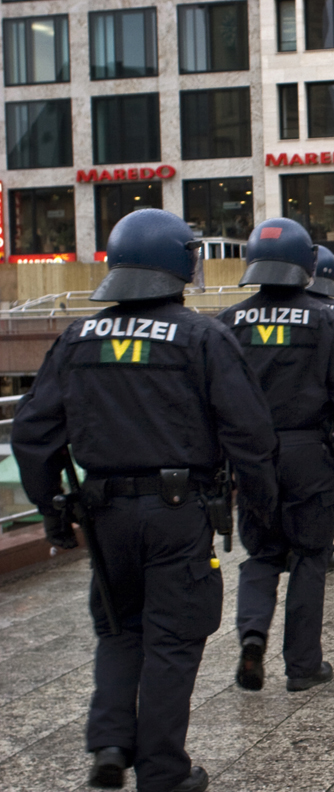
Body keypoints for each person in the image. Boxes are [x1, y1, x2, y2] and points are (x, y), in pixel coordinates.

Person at [12, 209, 279, 792]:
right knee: (173, 638)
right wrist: (261, 503)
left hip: (104, 514)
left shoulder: (78, 338)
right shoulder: (202, 336)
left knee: (117, 628)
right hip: (177, 513)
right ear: (179, 263)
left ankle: (110, 744)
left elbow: (33, 433)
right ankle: (162, 771)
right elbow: (249, 432)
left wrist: (53, 511)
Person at [219, 218, 334, 692]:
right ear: (305, 265)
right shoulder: (326, 321)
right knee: (310, 557)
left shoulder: (228, 324)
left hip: (251, 458)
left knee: (260, 555)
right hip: (308, 456)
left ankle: (253, 636)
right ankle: (302, 665)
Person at [307, 245, 334, 572]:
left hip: (263, 429)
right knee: (327, 491)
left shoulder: (238, 316)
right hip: (320, 430)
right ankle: (323, 545)